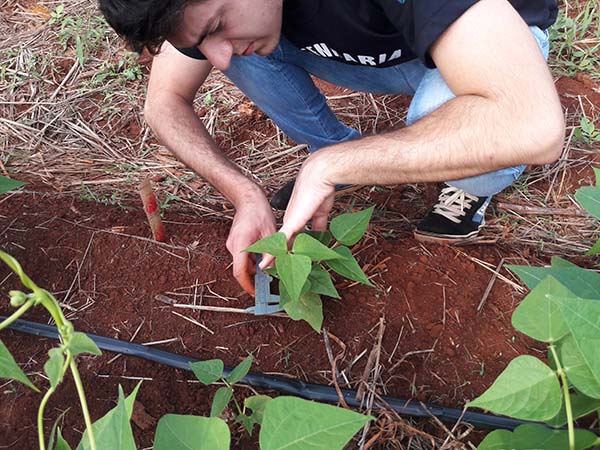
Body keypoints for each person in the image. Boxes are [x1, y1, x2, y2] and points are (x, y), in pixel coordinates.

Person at [99, 0, 565, 296]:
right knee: (244, 49)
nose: (217, 57)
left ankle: (470, 188)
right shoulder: (215, 18)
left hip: (482, 44)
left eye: (219, 23)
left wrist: (327, 165)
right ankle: (339, 161)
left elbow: (532, 125)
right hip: (371, 53)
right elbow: (162, 104)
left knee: (451, 121)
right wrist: (244, 193)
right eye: (203, 41)